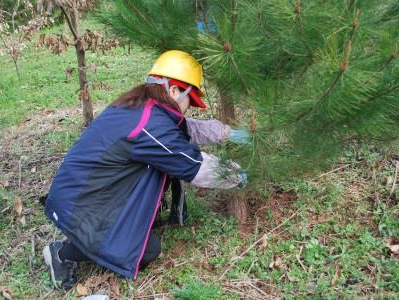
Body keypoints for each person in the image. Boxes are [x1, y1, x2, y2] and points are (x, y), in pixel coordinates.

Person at [42, 50, 249, 290]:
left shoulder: (142, 106)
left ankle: (93, 234)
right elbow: (193, 166)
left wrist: (226, 133)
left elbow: (185, 129)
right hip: (82, 202)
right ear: (174, 91)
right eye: (189, 101)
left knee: (137, 228)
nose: (188, 108)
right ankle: (62, 254)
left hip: (83, 189)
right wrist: (241, 175)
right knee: (146, 251)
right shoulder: (152, 125)